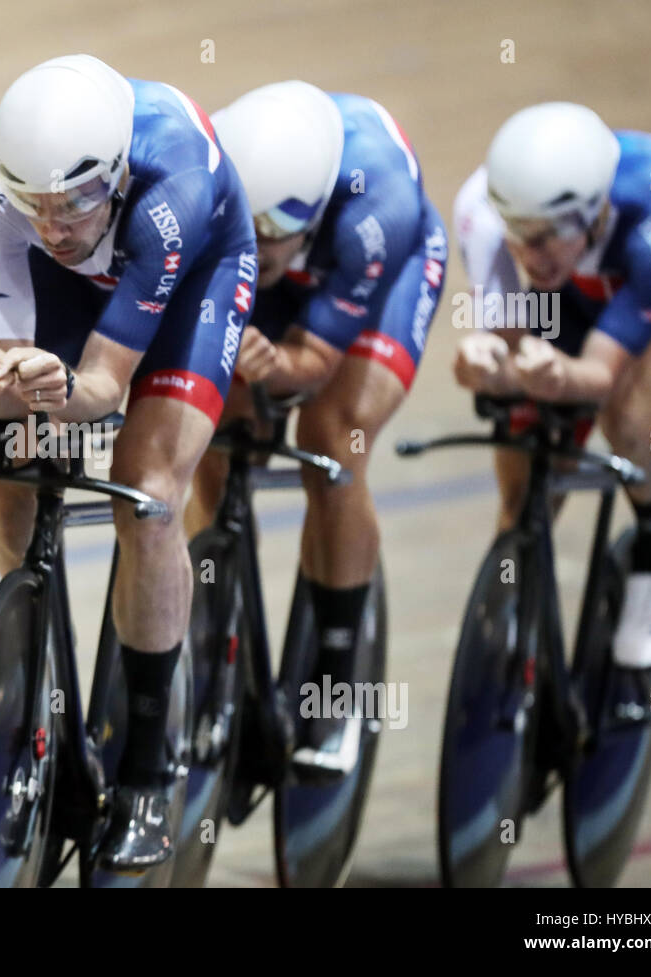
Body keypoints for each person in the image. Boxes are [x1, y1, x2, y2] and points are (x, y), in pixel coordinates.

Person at [0, 55, 256, 871]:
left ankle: (150, 765)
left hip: (194, 277)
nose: (55, 222)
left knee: (147, 494)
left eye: (78, 198)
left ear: (113, 174)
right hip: (75, 289)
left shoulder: (171, 192)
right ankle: (43, 682)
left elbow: (103, 388)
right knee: (7, 475)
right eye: (34, 204)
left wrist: (59, 385)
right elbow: (16, 382)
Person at [187, 82, 448, 776]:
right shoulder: (210, 177)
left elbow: (311, 367)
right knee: (213, 434)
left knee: (333, 440)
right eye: (254, 222)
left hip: (383, 273)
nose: (265, 237)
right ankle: (212, 623)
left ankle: (338, 676)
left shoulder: (375, 207)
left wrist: (277, 366)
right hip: (265, 271)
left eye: (279, 226)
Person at [453, 101, 651, 690]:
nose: (527, 255)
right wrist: (487, 366)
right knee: (530, 434)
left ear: (592, 216)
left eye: (543, 240)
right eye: (518, 238)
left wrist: (557, 377)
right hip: (572, 296)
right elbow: (510, 345)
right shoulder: (484, 214)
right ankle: (517, 582)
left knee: (629, 413)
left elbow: (600, 375)